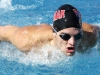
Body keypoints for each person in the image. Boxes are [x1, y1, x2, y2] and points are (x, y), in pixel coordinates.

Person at [0, 4, 99, 56]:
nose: (72, 42)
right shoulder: (26, 40)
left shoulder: (90, 36)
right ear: (54, 33)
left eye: (77, 36)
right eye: (65, 36)